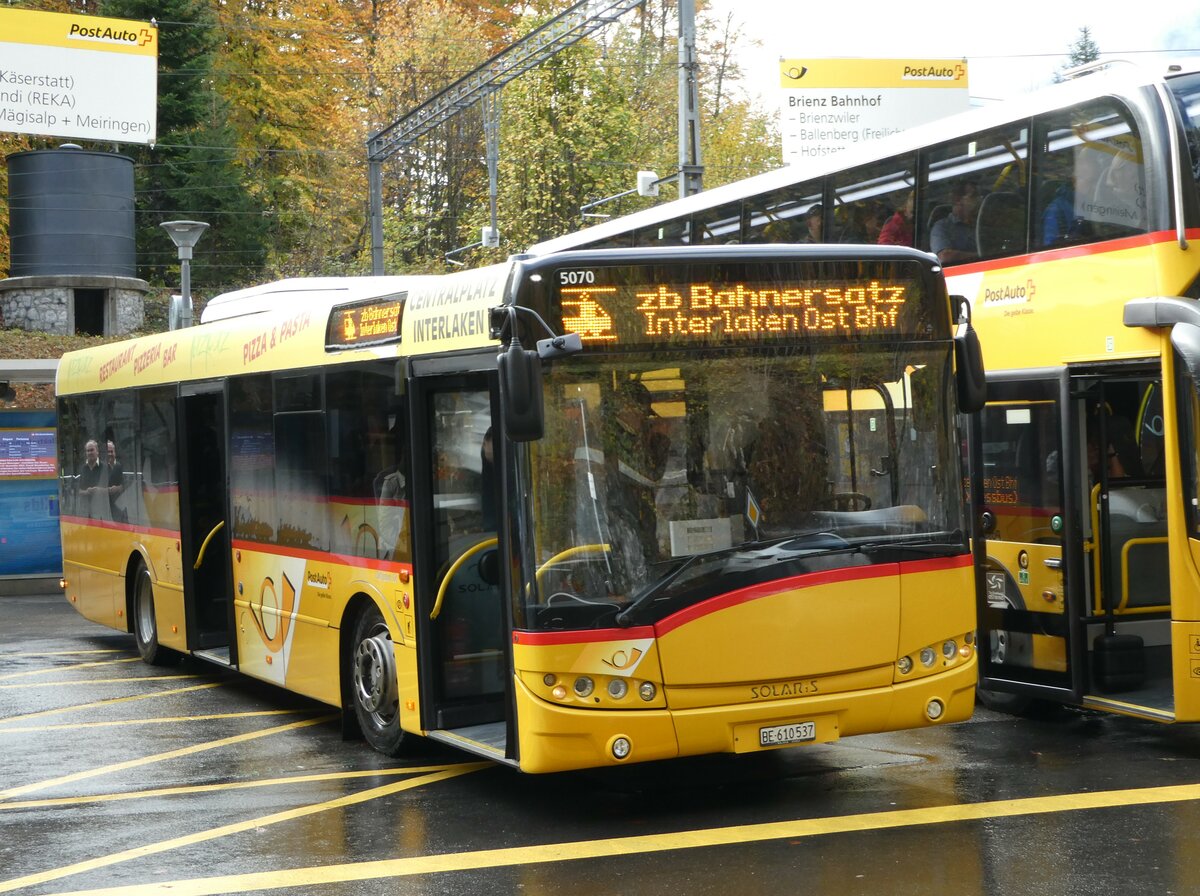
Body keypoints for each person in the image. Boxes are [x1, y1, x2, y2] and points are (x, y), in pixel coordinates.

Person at [929, 181, 980, 265]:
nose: (978, 200)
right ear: (958, 200)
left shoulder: (980, 224)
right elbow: (944, 256)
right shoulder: (941, 227)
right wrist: (980, 255)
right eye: (973, 197)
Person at [106, 440, 128, 522]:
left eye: (111, 451)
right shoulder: (102, 467)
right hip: (107, 505)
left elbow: (125, 484)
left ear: (115, 452)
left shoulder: (119, 466)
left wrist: (118, 488)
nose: (110, 454)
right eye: (108, 452)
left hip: (119, 503)